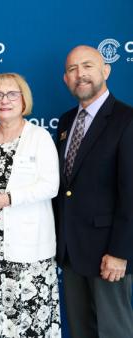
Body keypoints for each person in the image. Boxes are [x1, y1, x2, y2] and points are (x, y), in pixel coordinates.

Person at [0, 73, 61, 337]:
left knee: (27, 324)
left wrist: (5, 199)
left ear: (23, 100)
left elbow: (50, 186)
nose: (4, 100)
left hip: (26, 254)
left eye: (12, 94)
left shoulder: (39, 137)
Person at [55, 45, 133, 338]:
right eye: (73, 69)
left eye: (87, 66)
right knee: (81, 331)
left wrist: (120, 252)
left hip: (108, 253)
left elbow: (131, 193)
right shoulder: (65, 122)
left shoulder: (127, 120)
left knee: (115, 331)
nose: (80, 74)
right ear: (65, 79)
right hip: (72, 251)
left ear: (106, 70)